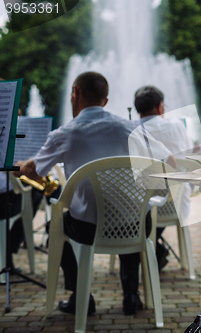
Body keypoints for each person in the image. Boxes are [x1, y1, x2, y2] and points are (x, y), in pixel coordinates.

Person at [15, 72, 173, 315]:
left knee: (55, 226)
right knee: (131, 211)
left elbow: (33, 171)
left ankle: (81, 298)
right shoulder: (130, 127)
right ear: (105, 101)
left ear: (75, 93)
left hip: (88, 229)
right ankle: (131, 294)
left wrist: (19, 165)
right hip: (134, 226)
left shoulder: (63, 134)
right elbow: (168, 160)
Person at [133, 85, 193, 269]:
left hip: (139, 206)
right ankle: (156, 251)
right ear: (160, 107)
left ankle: (152, 250)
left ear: (138, 110)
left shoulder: (132, 130)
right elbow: (188, 160)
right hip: (174, 202)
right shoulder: (176, 126)